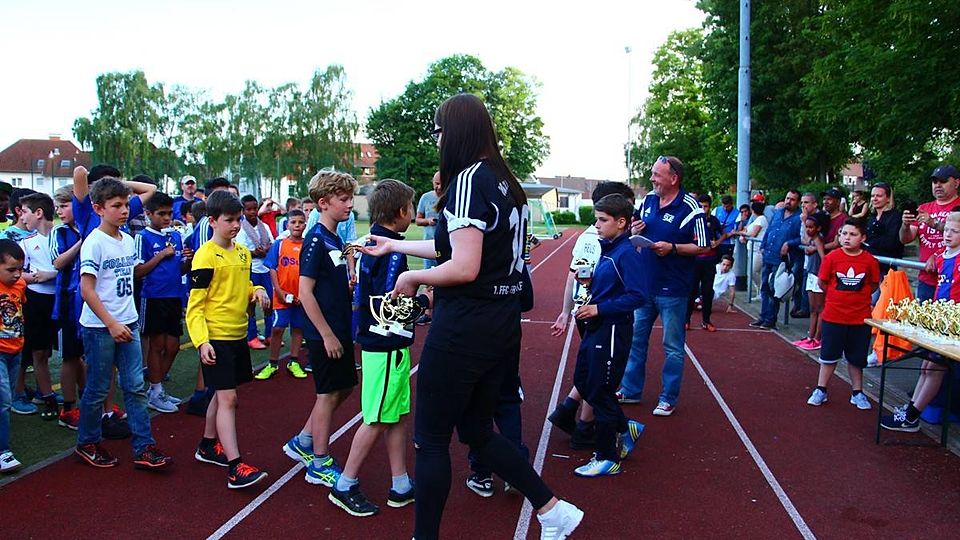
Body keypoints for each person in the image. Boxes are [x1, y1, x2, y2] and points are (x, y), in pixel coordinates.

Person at [360, 94, 582, 540]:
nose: (437, 139)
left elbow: (463, 266)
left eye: (439, 130)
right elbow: (456, 247)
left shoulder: (466, 180)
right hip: (501, 322)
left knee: (430, 439)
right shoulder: (506, 181)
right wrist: (395, 245)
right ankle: (552, 509)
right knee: (478, 431)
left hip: (465, 325)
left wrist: (410, 278)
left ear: (456, 131)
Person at [329, 179, 419, 516]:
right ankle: (345, 483)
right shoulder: (392, 249)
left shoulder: (370, 241)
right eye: (411, 208)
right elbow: (389, 303)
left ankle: (400, 482)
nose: (413, 213)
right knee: (378, 417)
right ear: (401, 211)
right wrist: (424, 301)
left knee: (394, 415)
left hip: (381, 342)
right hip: (385, 344)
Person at [74, 178, 172, 470]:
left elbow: (131, 275)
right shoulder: (94, 242)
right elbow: (87, 290)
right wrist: (111, 323)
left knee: (135, 386)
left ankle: (144, 446)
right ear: (98, 209)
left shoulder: (127, 239)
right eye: (116, 206)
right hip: (100, 327)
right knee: (98, 388)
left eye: (125, 205)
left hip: (128, 321)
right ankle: (88, 441)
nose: (124, 211)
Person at [187, 191, 271, 488]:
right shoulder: (205, 255)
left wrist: (256, 290)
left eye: (238, 219)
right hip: (217, 336)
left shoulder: (243, 253)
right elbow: (195, 306)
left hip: (237, 335)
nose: (236, 225)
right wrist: (202, 342)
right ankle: (236, 467)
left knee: (222, 393)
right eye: (229, 220)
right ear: (212, 221)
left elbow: (243, 285)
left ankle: (208, 445)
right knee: (228, 399)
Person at [282, 170, 358, 489]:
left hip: (339, 326)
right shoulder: (315, 239)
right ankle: (319, 462)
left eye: (351, 198)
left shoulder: (335, 238)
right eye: (344, 199)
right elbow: (306, 292)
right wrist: (326, 334)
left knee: (345, 387)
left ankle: (304, 439)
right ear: (324, 203)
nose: (350, 204)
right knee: (328, 393)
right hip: (324, 331)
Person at [618, 155, 708, 416]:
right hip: (645, 285)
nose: (652, 179)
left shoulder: (691, 207)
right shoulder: (648, 200)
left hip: (673, 289)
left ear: (673, 178)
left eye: (657, 175)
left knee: (672, 346)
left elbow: (703, 245)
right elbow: (633, 228)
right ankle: (630, 389)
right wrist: (635, 229)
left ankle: (668, 397)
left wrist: (673, 248)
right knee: (635, 340)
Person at [549, 181, 636, 449]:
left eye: (602, 219)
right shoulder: (612, 242)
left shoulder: (602, 241)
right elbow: (633, 291)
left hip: (588, 310)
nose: (598, 224)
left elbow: (574, 275)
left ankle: (571, 412)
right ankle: (590, 429)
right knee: (599, 379)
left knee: (592, 373)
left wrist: (566, 311)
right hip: (600, 314)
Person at [568, 194, 645, 477]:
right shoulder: (609, 249)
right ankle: (625, 427)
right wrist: (591, 283)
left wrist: (599, 308)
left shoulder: (626, 253)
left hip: (612, 329)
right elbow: (614, 285)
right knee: (584, 381)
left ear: (621, 222)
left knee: (600, 389)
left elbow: (638, 295)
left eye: (602, 220)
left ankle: (606, 457)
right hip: (596, 326)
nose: (597, 225)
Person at [880, 211, 960, 431]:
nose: (948, 234)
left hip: (952, 323)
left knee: (935, 367)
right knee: (926, 365)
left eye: (954, 231)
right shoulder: (943, 255)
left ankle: (912, 416)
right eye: (946, 230)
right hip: (938, 319)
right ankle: (912, 410)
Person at [806, 218, 880, 410]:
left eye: (853, 234)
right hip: (834, 317)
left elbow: (873, 285)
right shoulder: (831, 258)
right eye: (844, 233)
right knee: (828, 356)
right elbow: (823, 282)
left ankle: (857, 392)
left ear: (863, 238)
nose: (847, 238)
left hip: (860, 319)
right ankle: (821, 389)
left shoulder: (870, 261)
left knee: (856, 359)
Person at [134, 192, 193, 413]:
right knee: (157, 345)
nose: (167, 218)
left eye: (169, 213)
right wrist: (161, 255)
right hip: (153, 296)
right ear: (148, 214)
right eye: (161, 214)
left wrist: (189, 260)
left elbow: (180, 269)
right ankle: (156, 390)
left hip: (174, 296)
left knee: (173, 346)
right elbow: (138, 271)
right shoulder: (143, 237)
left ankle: (155, 388)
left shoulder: (175, 236)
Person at [16, 193, 59, 420]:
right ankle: (46, 396)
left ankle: (51, 393)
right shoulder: (25, 243)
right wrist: (35, 277)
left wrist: (50, 275)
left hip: (61, 299)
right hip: (35, 301)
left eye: (25, 212)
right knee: (37, 351)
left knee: (60, 351)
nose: (22, 218)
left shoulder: (62, 237)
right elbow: (15, 274)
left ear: (39, 213)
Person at [256, 209, 308, 380]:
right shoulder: (279, 244)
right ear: (287, 225)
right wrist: (279, 291)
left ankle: (293, 361)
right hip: (282, 296)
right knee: (278, 328)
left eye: (300, 222)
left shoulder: (308, 246)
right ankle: (272, 363)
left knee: (298, 328)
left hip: (301, 297)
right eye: (293, 222)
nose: (297, 225)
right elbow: (272, 267)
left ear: (305, 225)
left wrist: (304, 293)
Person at [50, 186, 86, 429]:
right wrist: (81, 243)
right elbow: (58, 262)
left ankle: (90, 403)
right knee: (70, 356)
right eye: (57, 207)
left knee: (85, 355)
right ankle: (68, 409)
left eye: (64, 206)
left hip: (89, 300)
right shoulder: (60, 232)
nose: (59, 211)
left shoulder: (92, 226)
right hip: (67, 302)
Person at [899, 164, 959, 300]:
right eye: (934, 181)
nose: (938, 185)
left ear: (956, 183)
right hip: (926, 279)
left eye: (943, 181)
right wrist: (905, 225)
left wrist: (933, 223)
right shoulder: (924, 208)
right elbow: (905, 239)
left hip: (953, 280)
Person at [751, 190, 801, 330]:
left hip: (782, 259)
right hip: (768, 254)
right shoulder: (778, 213)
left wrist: (789, 243)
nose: (788, 201)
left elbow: (802, 237)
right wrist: (763, 245)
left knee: (775, 288)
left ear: (797, 202)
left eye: (792, 199)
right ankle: (763, 316)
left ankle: (770, 319)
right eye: (787, 198)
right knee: (765, 287)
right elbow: (769, 230)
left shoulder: (799, 218)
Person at [0, 240, 27, 473]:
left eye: (20, 269)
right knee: (4, 401)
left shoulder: (19, 285)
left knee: (4, 401)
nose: (17, 274)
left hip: (15, 350)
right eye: (11, 270)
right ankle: (3, 452)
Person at [237, 195, 275, 350]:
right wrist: (254, 253)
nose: (252, 212)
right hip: (251, 270)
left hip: (265, 269)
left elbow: (272, 243)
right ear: (243, 211)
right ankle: (251, 336)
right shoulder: (241, 228)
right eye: (249, 209)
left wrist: (266, 249)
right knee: (250, 303)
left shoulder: (263, 226)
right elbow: (240, 250)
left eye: (254, 208)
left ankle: (269, 335)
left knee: (269, 302)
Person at [792, 211, 828, 351]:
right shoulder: (812, 240)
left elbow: (824, 258)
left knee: (820, 308)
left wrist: (823, 276)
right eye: (807, 227)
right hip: (812, 274)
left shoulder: (818, 239)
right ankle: (810, 336)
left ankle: (817, 338)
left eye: (811, 227)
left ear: (818, 228)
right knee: (813, 309)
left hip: (818, 276)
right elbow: (805, 240)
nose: (808, 229)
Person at [687, 194, 723, 332]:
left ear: (710, 207)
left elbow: (724, 234)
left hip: (709, 260)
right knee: (691, 290)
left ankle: (706, 321)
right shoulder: (692, 219)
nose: (703, 209)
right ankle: (686, 320)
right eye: (701, 206)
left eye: (706, 206)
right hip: (695, 260)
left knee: (707, 291)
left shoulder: (713, 220)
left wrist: (717, 242)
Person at [864, 182, 904, 282]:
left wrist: (870, 241)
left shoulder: (895, 217)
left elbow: (892, 243)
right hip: (869, 266)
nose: (874, 199)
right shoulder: (871, 217)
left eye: (879, 196)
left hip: (886, 268)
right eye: (872, 196)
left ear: (888, 198)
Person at [737, 201, 768, 300]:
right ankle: (759, 292)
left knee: (753, 271)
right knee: (752, 271)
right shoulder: (755, 220)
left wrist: (742, 234)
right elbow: (745, 229)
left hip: (758, 250)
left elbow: (753, 234)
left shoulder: (761, 219)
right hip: (752, 249)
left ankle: (762, 290)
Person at [416, 172, 442, 269]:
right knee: (429, 273)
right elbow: (418, 220)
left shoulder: (451, 197)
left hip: (445, 244)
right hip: (429, 243)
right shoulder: (426, 197)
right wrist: (428, 221)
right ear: (433, 183)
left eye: (442, 184)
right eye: (437, 184)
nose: (439, 187)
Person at [712, 194, 738, 259]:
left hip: (728, 243)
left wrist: (723, 237)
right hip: (715, 242)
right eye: (723, 206)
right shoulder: (716, 210)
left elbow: (735, 231)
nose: (725, 208)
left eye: (727, 207)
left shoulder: (737, 213)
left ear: (731, 204)